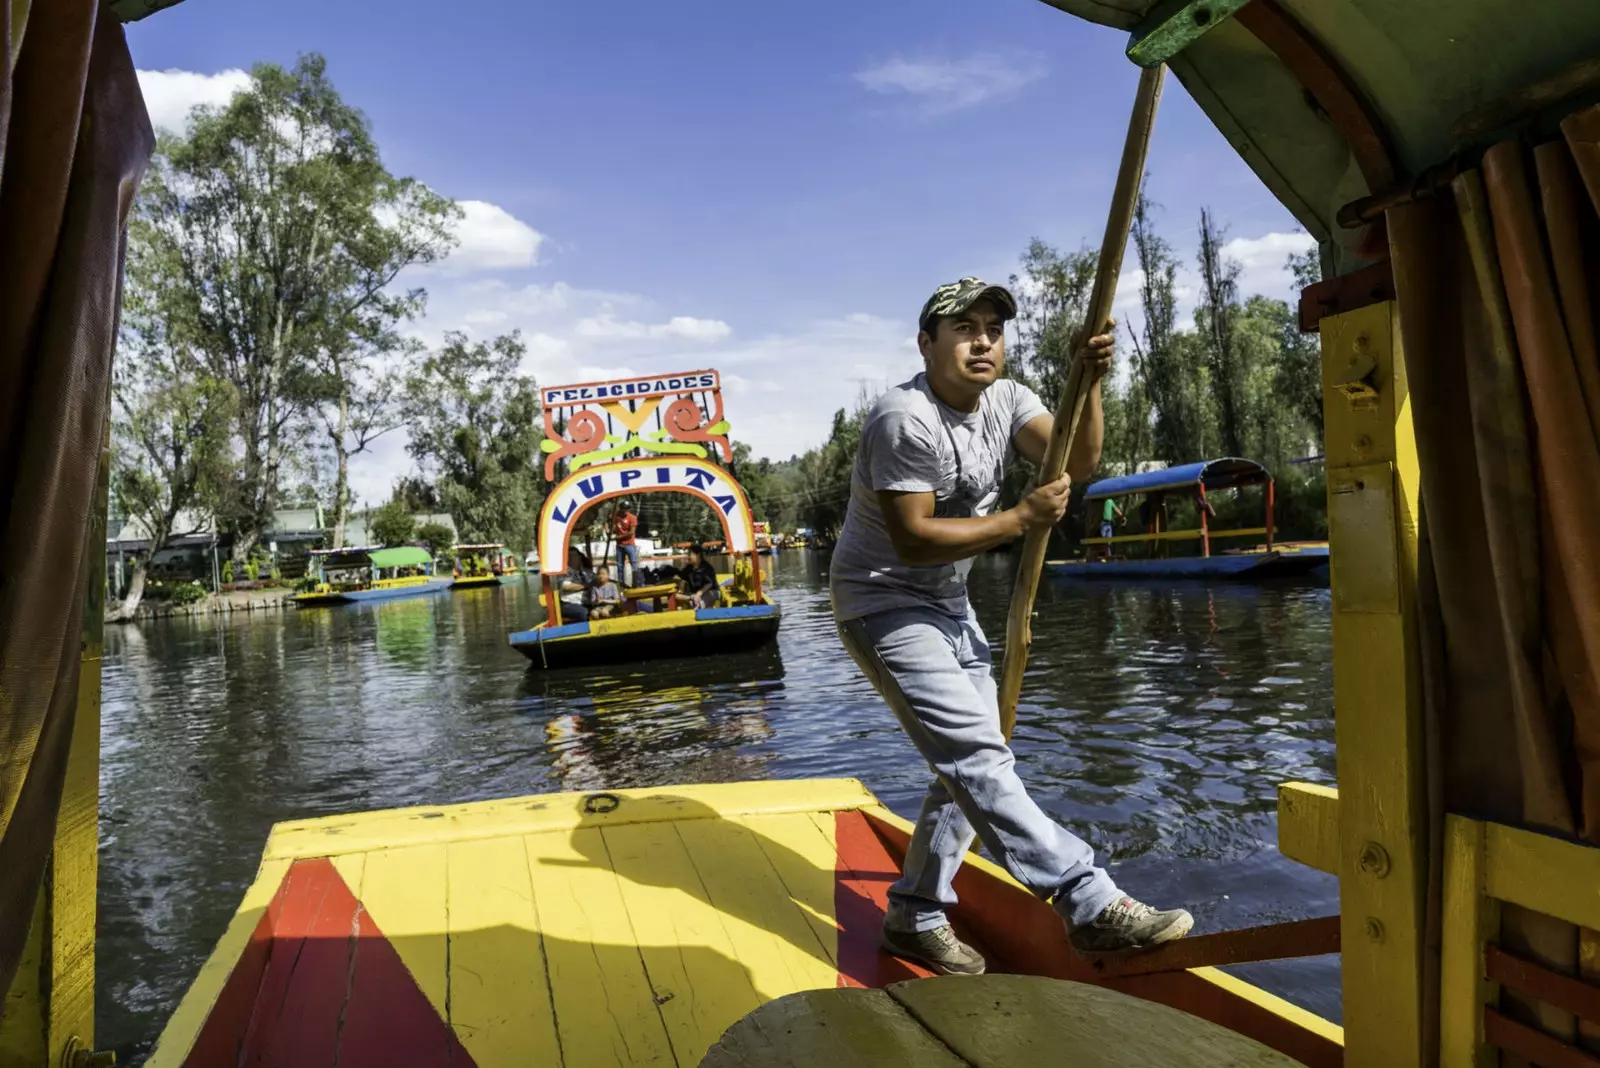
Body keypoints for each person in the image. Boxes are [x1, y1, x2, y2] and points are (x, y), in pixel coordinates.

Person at [830, 276, 1193, 976]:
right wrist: (1022, 521)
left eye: (993, 328)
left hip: (947, 602)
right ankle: (1088, 902)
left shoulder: (1010, 397)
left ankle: (913, 913)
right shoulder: (903, 419)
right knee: (978, 757)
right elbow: (912, 539)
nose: (982, 341)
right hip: (883, 602)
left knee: (973, 760)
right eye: (963, 328)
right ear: (926, 343)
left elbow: (1077, 461)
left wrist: (1084, 383)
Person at [675, 545, 720, 609]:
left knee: (699, 603)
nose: (688, 557)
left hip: (711, 592)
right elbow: (679, 576)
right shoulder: (689, 568)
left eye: (690, 554)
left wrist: (698, 594)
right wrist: (680, 586)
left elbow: (709, 584)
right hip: (694, 594)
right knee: (676, 596)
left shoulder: (706, 567)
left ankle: (699, 606)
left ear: (698, 555)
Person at [557, 548, 594, 623]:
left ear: (580, 557)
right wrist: (585, 586)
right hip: (569, 603)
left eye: (574, 556)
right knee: (583, 612)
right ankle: (586, 633)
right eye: (569, 556)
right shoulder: (564, 572)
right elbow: (566, 587)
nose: (572, 558)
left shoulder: (587, 571)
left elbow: (596, 582)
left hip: (588, 602)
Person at [611, 502, 640, 587]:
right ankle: (621, 584)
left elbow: (631, 532)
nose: (626, 511)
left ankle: (636, 583)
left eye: (627, 509)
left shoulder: (632, 518)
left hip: (630, 544)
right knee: (620, 565)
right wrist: (607, 530)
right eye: (624, 509)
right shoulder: (616, 515)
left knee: (634, 564)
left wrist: (618, 537)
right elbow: (607, 520)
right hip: (619, 545)